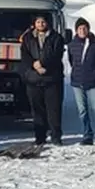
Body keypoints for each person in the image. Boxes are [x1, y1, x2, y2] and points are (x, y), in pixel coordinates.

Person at [20, 15, 66, 146]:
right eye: (38, 22)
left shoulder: (56, 37)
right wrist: (34, 65)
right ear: (34, 23)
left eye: (43, 22)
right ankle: (40, 137)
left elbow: (56, 55)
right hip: (33, 79)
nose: (40, 24)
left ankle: (56, 136)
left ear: (47, 23)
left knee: (54, 110)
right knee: (37, 110)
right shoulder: (28, 38)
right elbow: (25, 55)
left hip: (52, 78)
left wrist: (42, 64)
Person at [67, 17, 95, 148]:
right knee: (82, 111)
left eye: (84, 28)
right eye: (80, 28)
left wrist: (94, 72)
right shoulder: (72, 44)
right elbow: (71, 60)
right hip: (77, 82)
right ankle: (87, 135)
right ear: (76, 30)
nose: (82, 30)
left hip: (92, 82)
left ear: (88, 29)